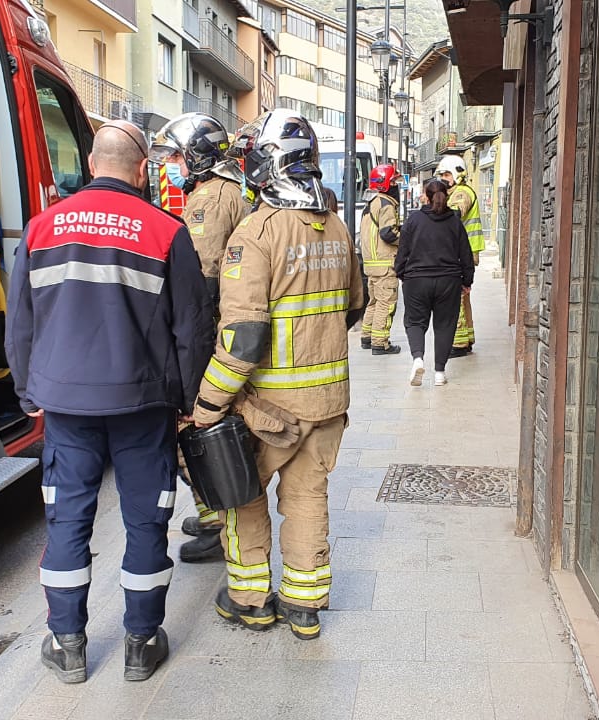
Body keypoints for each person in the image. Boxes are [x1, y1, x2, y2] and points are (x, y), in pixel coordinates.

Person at [6, 120, 214, 683]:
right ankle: (141, 644)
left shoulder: (42, 228)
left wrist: (28, 391)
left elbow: (20, 320)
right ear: (143, 169)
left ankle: (67, 643)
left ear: (93, 164)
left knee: (67, 519)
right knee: (146, 521)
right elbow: (192, 329)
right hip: (143, 404)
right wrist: (187, 399)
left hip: (65, 406)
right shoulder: (166, 231)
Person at [191, 109, 364, 640]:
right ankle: (304, 606)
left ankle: (250, 600)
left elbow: (242, 338)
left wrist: (208, 404)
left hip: (269, 410)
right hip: (328, 403)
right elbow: (355, 307)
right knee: (308, 497)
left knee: (243, 497)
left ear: (268, 163)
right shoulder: (336, 225)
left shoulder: (256, 233)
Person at [149, 113, 248, 564]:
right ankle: (212, 516)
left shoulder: (211, 199)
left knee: (193, 430)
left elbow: (201, 279)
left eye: (175, 156)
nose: (171, 165)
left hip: (209, 331)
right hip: (215, 326)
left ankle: (218, 523)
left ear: (197, 156)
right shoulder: (219, 192)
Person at [394, 178, 474, 387]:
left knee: (415, 322)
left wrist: (401, 273)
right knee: (445, 325)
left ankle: (418, 359)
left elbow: (402, 251)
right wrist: (467, 281)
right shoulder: (454, 221)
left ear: (427, 197)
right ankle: (439, 372)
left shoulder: (414, 220)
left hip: (416, 280)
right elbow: (465, 253)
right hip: (448, 281)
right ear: (446, 196)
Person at [436, 155, 484, 357]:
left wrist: (433, 208)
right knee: (463, 298)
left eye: (447, 175)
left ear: (457, 174)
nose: (443, 179)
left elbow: (455, 213)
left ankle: (458, 343)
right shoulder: (454, 192)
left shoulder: (462, 193)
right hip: (461, 251)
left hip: (461, 252)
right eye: (441, 175)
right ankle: (466, 338)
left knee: (455, 298)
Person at [359, 164, 403, 356]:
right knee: (386, 303)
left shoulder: (370, 203)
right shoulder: (386, 204)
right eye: (393, 182)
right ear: (385, 184)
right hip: (385, 264)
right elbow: (388, 233)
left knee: (374, 302)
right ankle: (380, 342)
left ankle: (367, 337)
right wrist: (406, 239)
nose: (396, 186)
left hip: (372, 264)